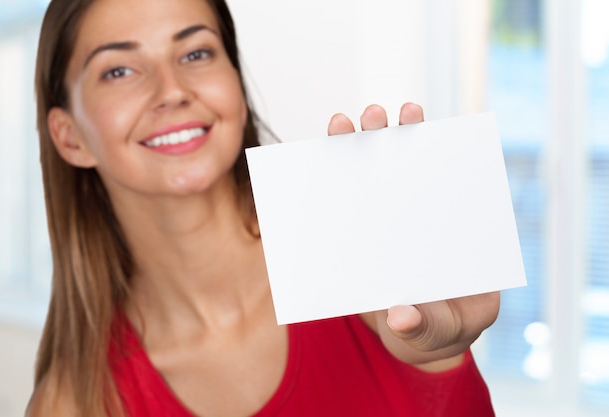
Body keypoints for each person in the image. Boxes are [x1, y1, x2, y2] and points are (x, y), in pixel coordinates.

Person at [26, 0, 500, 416]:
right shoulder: (70, 404)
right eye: (118, 70)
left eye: (196, 53)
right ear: (69, 135)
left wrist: (430, 341)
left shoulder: (356, 247)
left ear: (235, 84)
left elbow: (417, 333)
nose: (171, 88)